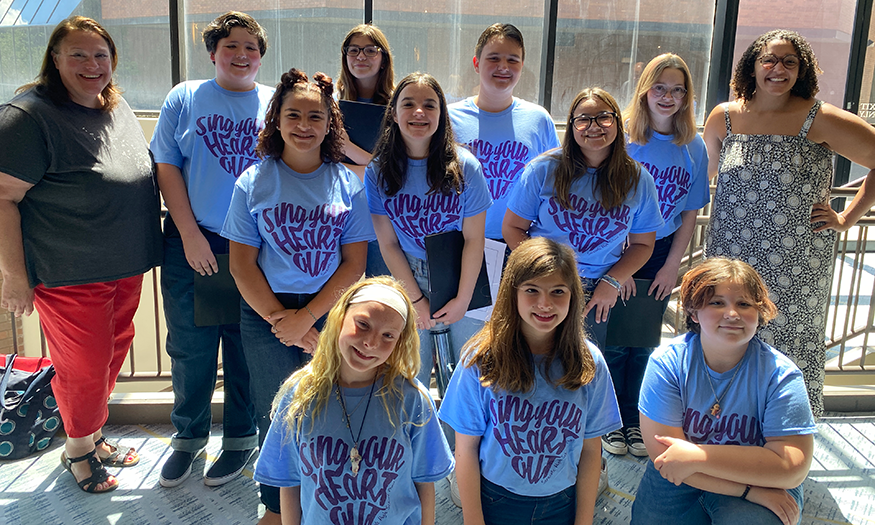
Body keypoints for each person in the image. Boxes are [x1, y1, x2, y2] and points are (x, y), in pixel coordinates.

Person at [0, 16, 162, 493]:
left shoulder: (114, 106)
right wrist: (13, 276)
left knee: (109, 357)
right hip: (69, 271)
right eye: (78, 55)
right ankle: (77, 451)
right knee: (85, 368)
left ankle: (90, 432)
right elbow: (3, 197)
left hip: (123, 265)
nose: (92, 65)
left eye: (101, 55)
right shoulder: (28, 116)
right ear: (54, 59)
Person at [222, 68, 373, 525]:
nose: (304, 125)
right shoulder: (253, 180)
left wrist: (306, 319)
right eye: (294, 114)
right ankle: (276, 505)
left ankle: (335, 495)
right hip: (268, 314)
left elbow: (354, 264)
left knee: (338, 408)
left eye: (315, 116)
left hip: (330, 312)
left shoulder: (348, 183)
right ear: (276, 119)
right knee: (277, 414)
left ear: (331, 124)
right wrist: (281, 320)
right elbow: (241, 264)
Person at [702, 29, 875, 419]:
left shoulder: (820, 118)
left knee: (789, 345)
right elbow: (700, 179)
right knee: (723, 338)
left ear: (802, 70)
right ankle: (720, 422)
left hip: (797, 266)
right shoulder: (724, 118)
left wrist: (847, 218)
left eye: (789, 62)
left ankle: (785, 433)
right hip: (730, 258)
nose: (777, 69)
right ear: (753, 64)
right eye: (769, 59)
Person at [150, 11, 272, 488]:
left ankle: (241, 439)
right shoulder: (185, 97)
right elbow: (167, 165)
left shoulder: (274, 101)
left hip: (257, 247)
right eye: (231, 46)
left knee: (245, 346)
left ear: (261, 57)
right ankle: (188, 438)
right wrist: (190, 234)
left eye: (251, 48)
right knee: (190, 347)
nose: (242, 56)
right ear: (212, 53)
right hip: (194, 241)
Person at [439, 237, 621, 525]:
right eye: (531, 290)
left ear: (574, 295)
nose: (545, 303)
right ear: (512, 293)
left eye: (558, 291)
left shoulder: (590, 362)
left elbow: (590, 451)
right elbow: (466, 449)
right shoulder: (480, 359)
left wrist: (583, 520)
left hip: (563, 502)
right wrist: (474, 519)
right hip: (496, 501)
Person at [253, 276, 454, 524]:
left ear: (400, 343)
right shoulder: (299, 394)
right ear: (339, 318)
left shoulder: (412, 399)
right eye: (363, 324)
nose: (371, 342)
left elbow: (424, 482)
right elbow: (289, 481)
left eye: (388, 335)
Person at [631, 258, 815, 525]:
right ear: (694, 312)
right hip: (693, 479)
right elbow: (666, 458)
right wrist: (747, 491)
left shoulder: (780, 374)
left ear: (759, 312)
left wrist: (695, 455)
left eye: (744, 304)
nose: (732, 313)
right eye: (717, 303)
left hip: (755, 478)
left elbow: (791, 468)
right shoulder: (668, 363)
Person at [601, 53, 711, 458]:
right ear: (645, 90)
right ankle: (612, 420)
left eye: (677, 89)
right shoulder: (624, 139)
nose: (668, 96)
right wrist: (622, 265)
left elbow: (689, 213)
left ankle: (636, 419)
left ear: (686, 97)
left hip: (662, 251)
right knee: (613, 340)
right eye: (660, 87)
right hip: (618, 250)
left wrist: (671, 267)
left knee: (644, 341)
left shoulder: (693, 146)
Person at [503, 87, 663, 350]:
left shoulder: (638, 180)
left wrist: (613, 281)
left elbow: (643, 245)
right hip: (545, 284)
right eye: (583, 119)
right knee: (531, 357)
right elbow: (512, 227)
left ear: (617, 122)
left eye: (603, 117)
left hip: (598, 288)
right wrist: (540, 274)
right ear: (572, 126)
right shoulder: (543, 170)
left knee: (582, 366)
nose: (594, 126)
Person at [365, 72, 492, 389]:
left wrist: (463, 300)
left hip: (464, 274)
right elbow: (389, 244)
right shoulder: (378, 171)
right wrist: (417, 300)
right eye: (408, 104)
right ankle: (419, 439)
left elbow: (474, 239)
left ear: (441, 114)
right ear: (394, 114)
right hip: (408, 275)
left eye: (429, 105)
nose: (419, 112)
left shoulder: (466, 166)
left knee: (467, 376)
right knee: (411, 376)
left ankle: (460, 441)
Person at [448, 23, 560, 242]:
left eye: (512, 60)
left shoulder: (539, 119)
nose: (503, 67)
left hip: (520, 238)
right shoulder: (449, 119)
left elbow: (556, 182)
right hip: (459, 238)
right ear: (476, 64)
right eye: (494, 58)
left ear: (522, 66)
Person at [336, 23, 396, 277]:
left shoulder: (399, 104)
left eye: (370, 50)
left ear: (383, 58)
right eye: (354, 50)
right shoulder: (329, 101)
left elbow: (390, 174)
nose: (361, 57)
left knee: (378, 293)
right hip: (338, 213)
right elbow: (318, 167)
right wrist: (361, 166)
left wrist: (345, 147)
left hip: (381, 217)